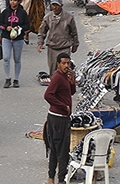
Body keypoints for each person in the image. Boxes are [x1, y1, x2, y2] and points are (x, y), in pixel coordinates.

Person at [43, 52, 76, 184]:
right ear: (58, 64)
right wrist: (64, 107)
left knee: (56, 149)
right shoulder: (57, 77)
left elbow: (70, 92)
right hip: (58, 118)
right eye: (63, 63)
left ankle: (51, 178)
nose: (66, 66)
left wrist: (72, 81)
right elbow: (48, 95)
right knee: (62, 150)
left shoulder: (65, 77)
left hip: (61, 117)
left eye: (68, 63)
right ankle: (60, 180)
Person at [37, 0, 79, 74]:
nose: (54, 7)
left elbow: (74, 32)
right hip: (52, 47)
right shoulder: (48, 17)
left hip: (65, 47)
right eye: (53, 5)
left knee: (64, 70)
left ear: (61, 6)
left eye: (57, 5)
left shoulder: (69, 17)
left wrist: (75, 45)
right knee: (53, 71)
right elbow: (42, 31)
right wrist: (40, 43)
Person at [0, 0, 29, 88]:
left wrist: (19, 28)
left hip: (18, 39)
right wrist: (6, 27)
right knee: (6, 58)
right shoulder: (5, 12)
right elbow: (0, 23)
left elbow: (27, 25)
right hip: (6, 38)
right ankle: (7, 78)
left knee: (17, 59)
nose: (13, 2)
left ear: (19, 2)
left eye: (15, 0)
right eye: (11, 0)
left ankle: (16, 79)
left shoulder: (22, 13)